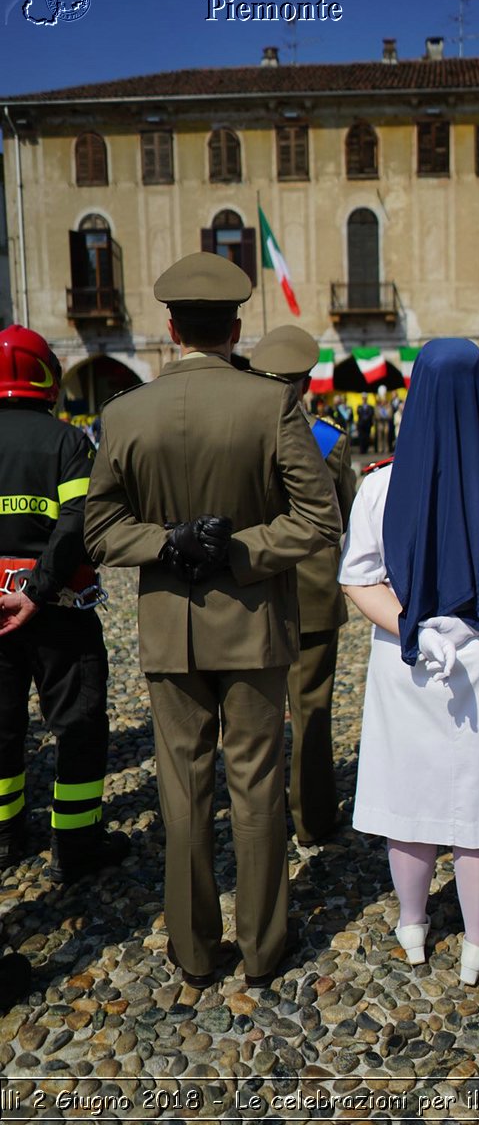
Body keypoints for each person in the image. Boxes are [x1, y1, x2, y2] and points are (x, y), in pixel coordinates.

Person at [84, 253, 342, 990]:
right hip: (254, 619)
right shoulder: (271, 405)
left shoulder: (125, 412)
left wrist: (166, 542)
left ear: (169, 327)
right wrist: (240, 549)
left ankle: (193, 952)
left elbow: (100, 530)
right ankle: (263, 948)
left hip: (171, 625)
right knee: (256, 786)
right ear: (236, 327)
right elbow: (318, 519)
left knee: (183, 788)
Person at [338, 339, 479, 985]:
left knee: (408, 797)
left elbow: (357, 580)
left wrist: (416, 627)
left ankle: (413, 925)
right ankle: (477, 940)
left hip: (406, 659)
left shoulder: (378, 483)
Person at [0, 325, 129, 884]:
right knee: (77, 726)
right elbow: (77, 523)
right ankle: (76, 844)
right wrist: (39, 588)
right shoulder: (68, 442)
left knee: (2, 729)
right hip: (59, 610)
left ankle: (6, 836)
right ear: (45, 374)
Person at [250, 326, 356, 845]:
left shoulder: (241, 435)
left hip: (254, 590)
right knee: (311, 709)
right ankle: (313, 817)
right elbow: (348, 516)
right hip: (312, 594)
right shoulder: (329, 441)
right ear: (307, 386)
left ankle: (260, 819)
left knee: (255, 713)